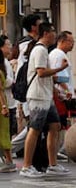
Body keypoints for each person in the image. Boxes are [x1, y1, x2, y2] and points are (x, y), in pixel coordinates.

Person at [20, 22, 70, 178]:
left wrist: (58, 90)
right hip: (38, 96)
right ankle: (27, 166)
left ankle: (52, 164)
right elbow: (41, 73)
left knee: (54, 126)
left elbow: (46, 76)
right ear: (46, 33)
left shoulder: (44, 50)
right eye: (53, 32)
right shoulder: (40, 50)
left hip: (46, 95)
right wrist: (60, 69)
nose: (55, 35)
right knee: (34, 129)